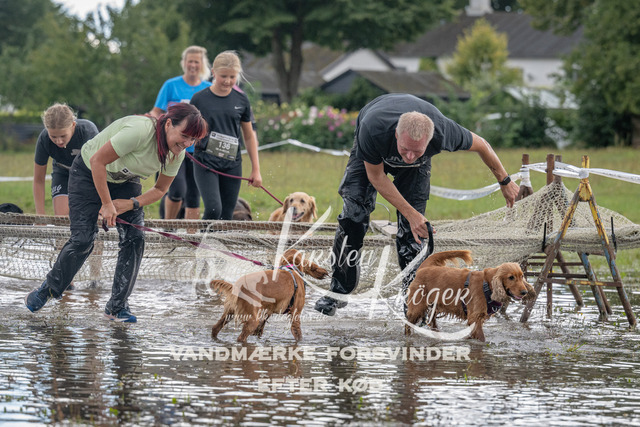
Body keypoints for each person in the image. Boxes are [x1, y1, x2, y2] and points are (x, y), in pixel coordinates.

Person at [314, 93, 519, 316]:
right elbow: (377, 177)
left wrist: (505, 181)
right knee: (353, 217)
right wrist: (410, 213)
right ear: (396, 134)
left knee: (414, 234)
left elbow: (482, 145)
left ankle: (413, 301)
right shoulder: (373, 129)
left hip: (415, 170)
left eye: (417, 151)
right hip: (373, 152)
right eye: (405, 149)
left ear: (430, 141)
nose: (410, 157)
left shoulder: (444, 132)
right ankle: (338, 291)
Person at [24, 103, 208, 322]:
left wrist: (130, 204)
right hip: (88, 171)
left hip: (125, 181)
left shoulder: (177, 154)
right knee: (83, 240)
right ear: (168, 124)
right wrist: (107, 204)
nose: (187, 144)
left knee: (135, 238)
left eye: (193, 140)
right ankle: (48, 289)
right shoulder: (140, 131)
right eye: (184, 136)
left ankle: (117, 307)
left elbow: (160, 190)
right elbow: (97, 161)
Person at [190, 50, 262, 220]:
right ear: (213, 72)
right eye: (223, 76)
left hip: (232, 163)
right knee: (214, 209)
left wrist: (256, 170)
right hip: (205, 162)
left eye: (232, 77)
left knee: (227, 215)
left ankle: (219, 239)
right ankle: (204, 238)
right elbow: (187, 130)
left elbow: (249, 136)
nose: (228, 81)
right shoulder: (199, 99)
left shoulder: (242, 100)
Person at [150, 45, 212, 222]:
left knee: (194, 196)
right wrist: (152, 124)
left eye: (196, 62)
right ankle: (168, 227)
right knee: (177, 190)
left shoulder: (208, 88)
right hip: (174, 148)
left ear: (202, 64)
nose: (193, 65)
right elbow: (156, 111)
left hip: (197, 150)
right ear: (184, 63)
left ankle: (190, 235)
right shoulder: (171, 85)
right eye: (190, 61)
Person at [33, 103, 99, 216]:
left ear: (73, 125)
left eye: (63, 136)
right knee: (62, 218)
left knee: (93, 215)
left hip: (88, 174)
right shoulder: (44, 139)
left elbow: (99, 169)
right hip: (63, 172)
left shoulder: (88, 131)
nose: (59, 141)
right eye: (53, 137)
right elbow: (38, 180)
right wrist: (40, 216)